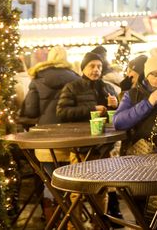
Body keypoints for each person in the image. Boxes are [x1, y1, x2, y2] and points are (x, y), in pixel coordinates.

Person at [55, 51, 120, 226]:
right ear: (84, 67)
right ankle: (74, 226)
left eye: (99, 66)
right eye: (92, 66)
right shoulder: (72, 87)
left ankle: (100, 225)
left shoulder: (108, 88)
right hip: (81, 146)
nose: (96, 69)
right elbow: (62, 113)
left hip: (103, 146)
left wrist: (116, 106)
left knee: (101, 190)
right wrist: (92, 108)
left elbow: (117, 116)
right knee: (76, 192)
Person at [19, 46, 78, 221]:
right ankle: (71, 214)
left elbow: (30, 110)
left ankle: (53, 217)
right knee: (70, 176)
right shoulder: (75, 78)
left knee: (49, 176)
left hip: (45, 136)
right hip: (72, 137)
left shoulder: (37, 78)